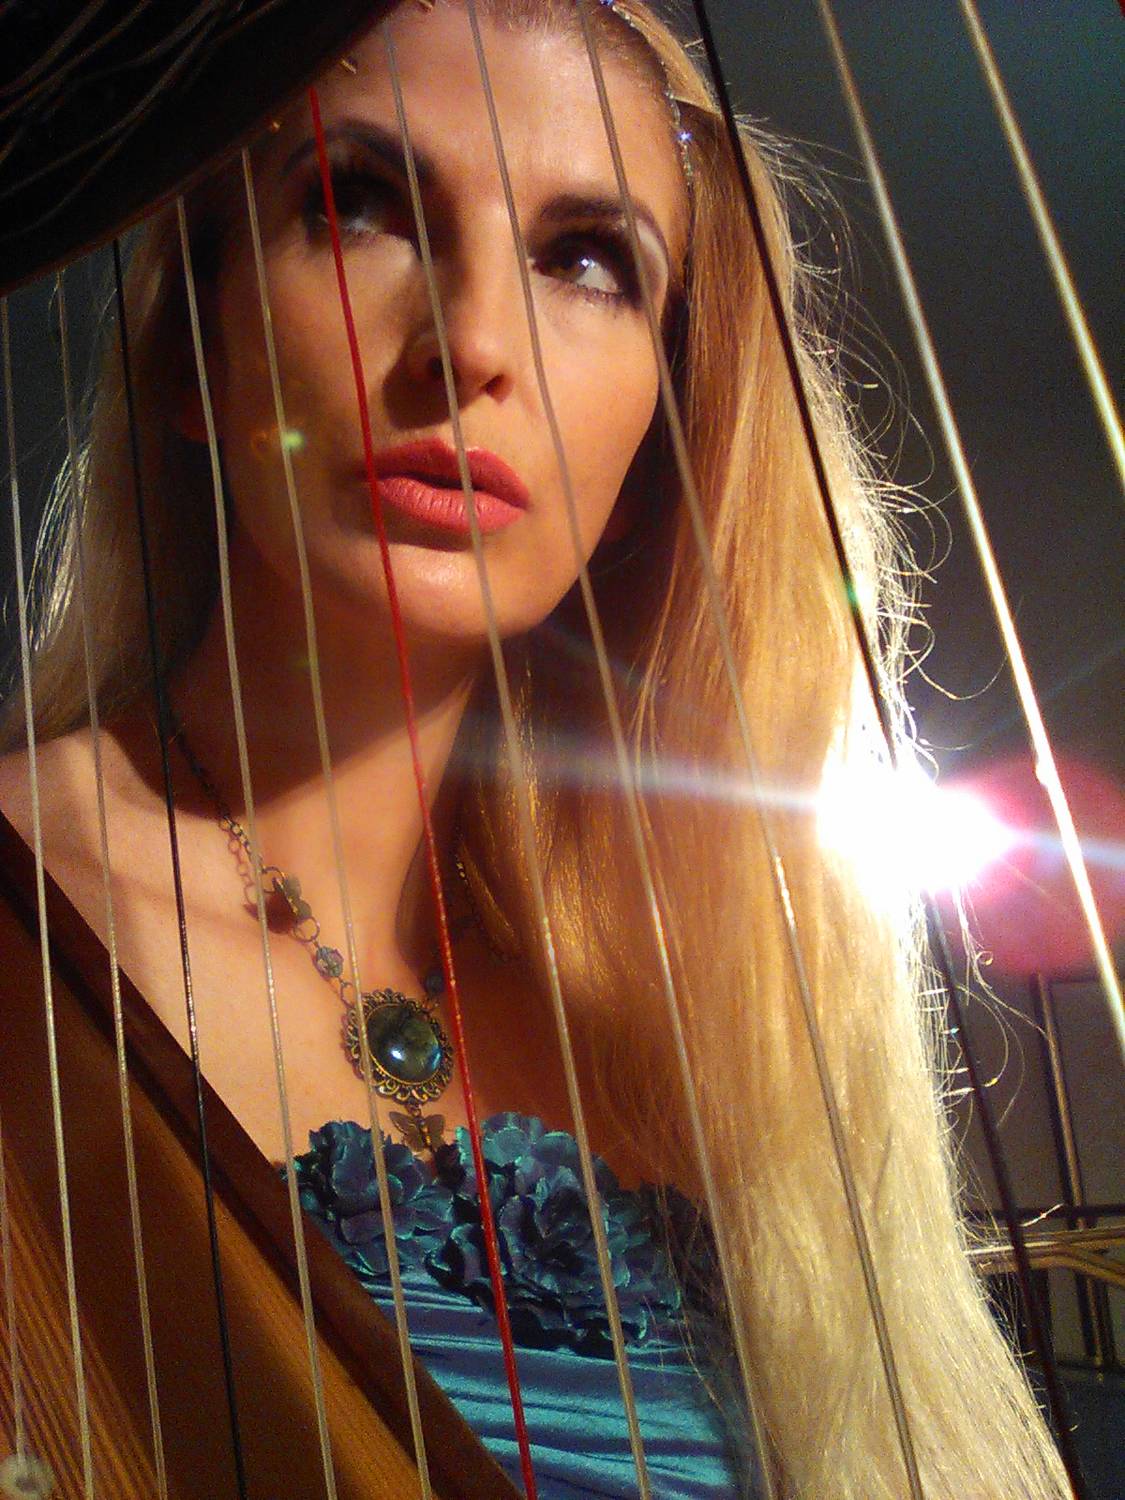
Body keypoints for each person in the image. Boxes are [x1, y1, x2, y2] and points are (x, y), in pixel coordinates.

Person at [0, 1, 1070, 1496]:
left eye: (588, 261)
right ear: (191, 347)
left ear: (653, 449)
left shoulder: (706, 1032)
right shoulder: (33, 925)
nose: (472, 348)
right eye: (357, 203)